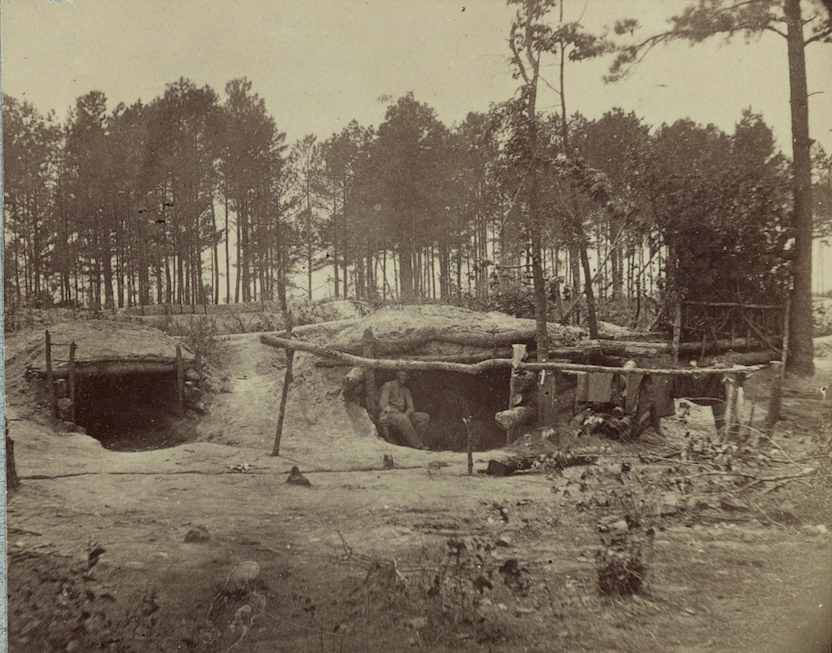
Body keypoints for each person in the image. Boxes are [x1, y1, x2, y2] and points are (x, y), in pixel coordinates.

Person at [378, 371, 430, 450]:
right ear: (397, 375)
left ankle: (412, 443)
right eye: (403, 375)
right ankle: (418, 445)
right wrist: (398, 413)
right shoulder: (388, 385)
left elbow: (411, 407)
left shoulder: (406, 390)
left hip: (401, 416)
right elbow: (383, 405)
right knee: (403, 419)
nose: (405, 378)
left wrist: (406, 414)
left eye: (407, 376)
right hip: (386, 416)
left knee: (424, 417)